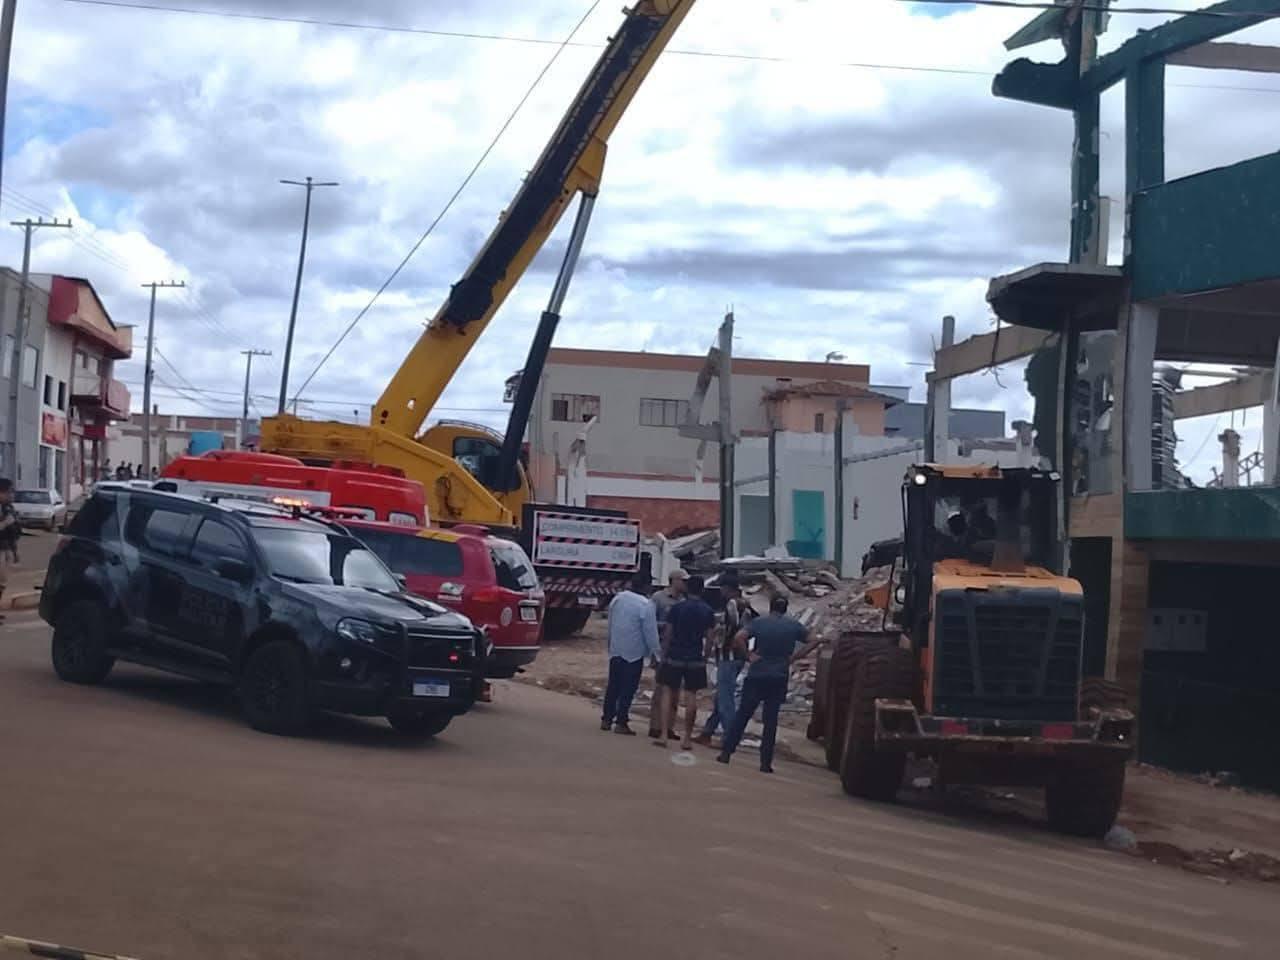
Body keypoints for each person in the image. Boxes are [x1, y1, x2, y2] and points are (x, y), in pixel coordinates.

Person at [717, 595, 823, 773]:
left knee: (743, 715)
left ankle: (726, 752)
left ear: (771, 606)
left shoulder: (759, 622)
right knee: (771, 720)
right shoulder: (793, 625)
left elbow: (738, 638)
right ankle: (765, 763)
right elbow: (815, 640)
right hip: (779, 675)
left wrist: (749, 656)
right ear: (785, 608)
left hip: (757, 673)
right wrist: (796, 657)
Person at [654, 575, 715, 751]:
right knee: (691, 697)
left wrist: (663, 655)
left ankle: (664, 734)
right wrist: (705, 656)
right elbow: (710, 638)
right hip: (694, 657)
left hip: (674, 655)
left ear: (688, 589)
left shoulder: (677, 608)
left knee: (667, 692)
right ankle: (687, 738)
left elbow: (668, 634)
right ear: (702, 590)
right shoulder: (707, 611)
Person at [694, 577, 755, 746]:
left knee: (725, 699)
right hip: (736, 656)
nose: (721, 591)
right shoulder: (746, 605)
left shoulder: (733, 605)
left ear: (729, 588)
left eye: (723, 588)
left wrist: (717, 636)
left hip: (729, 655)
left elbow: (731, 629)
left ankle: (730, 736)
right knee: (721, 697)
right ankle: (708, 732)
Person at [601, 573, 662, 735]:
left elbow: (610, 622)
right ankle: (621, 721)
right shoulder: (646, 604)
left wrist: (610, 644)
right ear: (646, 586)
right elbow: (650, 632)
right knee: (628, 688)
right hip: (634, 652)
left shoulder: (618, 598)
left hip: (617, 649)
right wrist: (656, 653)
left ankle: (606, 719)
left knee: (613, 685)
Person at [647, 569, 687, 738]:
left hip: (677, 650)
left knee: (675, 691)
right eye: (682, 580)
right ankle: (655, 726)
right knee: (661, 690)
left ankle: (669, 727)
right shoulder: (658, 598)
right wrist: (666, 625)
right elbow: (649, 622)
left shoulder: (684, 601)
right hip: (661, 648)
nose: (684, 584)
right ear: (673, 580)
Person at [0, 478, 18, 622]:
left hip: (7, 549)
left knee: (3, 581)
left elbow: (14, 530)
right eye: (9, 492)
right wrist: (6, 523)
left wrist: (15, 551)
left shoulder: (9, 507)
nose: (12, 495)